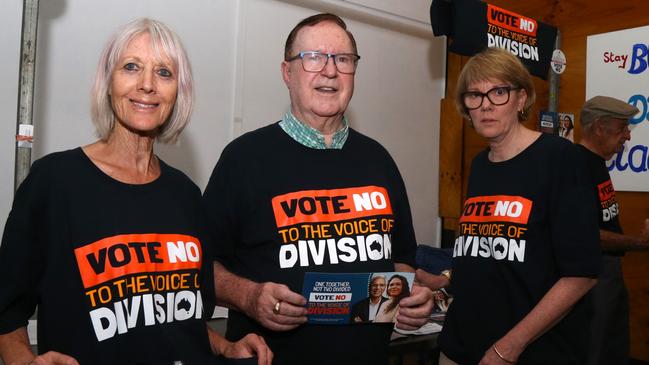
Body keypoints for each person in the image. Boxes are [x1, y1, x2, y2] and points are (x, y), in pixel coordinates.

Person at [0, 18, 271, 365]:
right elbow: (6, 314)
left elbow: (174, 317)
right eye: (131, 67)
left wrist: (225, 347)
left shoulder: (186, 194)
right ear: (108, 81)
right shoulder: (54, 182)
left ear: (179, 92)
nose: (147, 85)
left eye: (164, 73)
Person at [203, 13, 433, 365]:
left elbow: (401, 258)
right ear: (287, 72)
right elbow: (199, 266)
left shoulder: (379, 161)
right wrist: (250, 296)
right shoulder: (243, 159)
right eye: (313, 58)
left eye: (342, 59)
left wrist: (412, 297)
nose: (329, 71)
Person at [437, 47, 600, 365]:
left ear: (521, 99)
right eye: (474, 95)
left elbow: (581, 274)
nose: (485, 105)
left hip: (525, 352)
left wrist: (508, 348)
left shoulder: (559, 159)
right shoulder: (481, 164)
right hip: (461, 344)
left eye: (498, 92)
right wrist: (445, 279)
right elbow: (491, 251)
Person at [575, 95, 649, 365]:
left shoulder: (596, 164)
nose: (627, 136)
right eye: (622, 129)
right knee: (595, 351)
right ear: (598, 127)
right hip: (592, 278)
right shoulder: (577, 166)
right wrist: (640, 243)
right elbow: (585, 234)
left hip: (610, 274)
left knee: (614, 348)